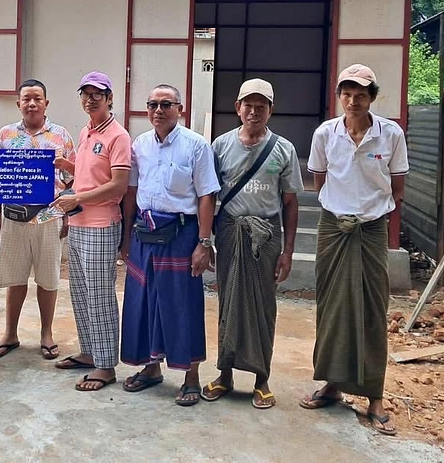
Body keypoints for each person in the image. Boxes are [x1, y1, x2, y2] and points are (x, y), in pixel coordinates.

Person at [300, 64, 408, 436]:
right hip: (333, 226)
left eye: (360, 93)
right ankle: (332, 384)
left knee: (373, 307)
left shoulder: (390, 134)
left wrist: (369, 211)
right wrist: (343, 205)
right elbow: (319, 180)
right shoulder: (325, 134)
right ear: (339, 96)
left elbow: (397, 186)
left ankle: (373, 394)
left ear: (372, 97)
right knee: (332, 304)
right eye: (346, 93)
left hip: (372, 228)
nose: (353, 100)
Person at [200, 79, 303, 409]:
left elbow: (289, 203)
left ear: (271, 110)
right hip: (230, 232)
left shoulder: (283, 149)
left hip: (266, 237)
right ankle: (225, 374)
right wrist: (207, 240)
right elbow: (209, 195)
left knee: (262, 306)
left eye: (261, 105)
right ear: (238, 107)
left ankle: (262, 378)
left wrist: (287, 251)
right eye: (248, 104)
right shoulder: (220, 146)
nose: (254, 111)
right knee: (228, 302)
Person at [119, 84, 220, 406]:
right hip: (144, 235)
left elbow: (207, 196)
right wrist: (126, 237)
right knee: (143, 302)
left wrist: (203, 243)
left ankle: (191, 377)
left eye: (166, 104)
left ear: (180, 109)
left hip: (181, 235)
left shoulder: (196, 146)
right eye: (152, 104)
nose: (158, 110)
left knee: (182, 305)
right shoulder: (141, 144)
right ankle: (151, 368)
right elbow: (131, 194)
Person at [52, 71, 130, 391]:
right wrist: (66, 166)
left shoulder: (118, 136)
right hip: (80, 221)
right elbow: (89, 173)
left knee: (99, 294)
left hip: (101, 223)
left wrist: (78, 198)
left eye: (97, 94)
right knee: (81, 293)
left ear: (110, 98)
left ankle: (106, 365)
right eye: (85, 93)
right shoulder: (86, 132)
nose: (90, 99)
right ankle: (89, 352)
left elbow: (118, 184)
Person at [0, 79, 76, 360]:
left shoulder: (61, 136)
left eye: (37, 98)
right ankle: (10, 333)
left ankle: (46, 333)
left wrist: (69, 215)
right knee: (16, 278)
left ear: (46, 103)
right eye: (26, 99)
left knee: (48, 279)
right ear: (19, 104)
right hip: (14, 216)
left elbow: (74, 178)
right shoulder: (5, 135)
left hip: (49, 216)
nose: (32, 103)